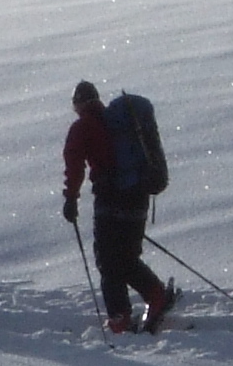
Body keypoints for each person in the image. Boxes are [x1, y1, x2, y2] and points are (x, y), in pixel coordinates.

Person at [61, 79, 175, 333]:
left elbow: (75, 165)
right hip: (139, 194)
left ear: (79, 104)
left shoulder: (83, 127)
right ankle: (156, 295)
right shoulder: (118, 123)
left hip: (111, 199)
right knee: (127, 256)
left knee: (108, 260)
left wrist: (71, 198)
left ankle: (119, 318)